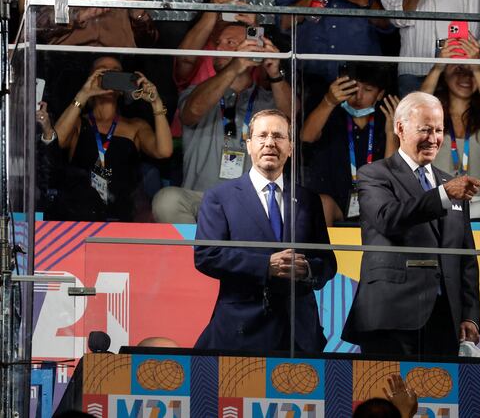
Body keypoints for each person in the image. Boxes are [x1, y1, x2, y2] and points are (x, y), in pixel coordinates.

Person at [341, 92, 480, 356]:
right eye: (425, 130)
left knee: (440, 397)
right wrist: (443, 195)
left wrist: (471, 314)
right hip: (390, 319)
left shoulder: (449, 184)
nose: (433, 138)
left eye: (439, 130)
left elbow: (466, 257)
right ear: (400, 128)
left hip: (444, 319)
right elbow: (387, 218)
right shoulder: (373, 174)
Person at [194, 109, 337, 354]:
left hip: (298, 333)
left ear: (290, 147)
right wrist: (265, 265)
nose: (270, 142)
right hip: (241, 332)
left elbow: (327, 263)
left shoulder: (308, 199)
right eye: (262, 136)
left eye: (278, 136)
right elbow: (207, 255)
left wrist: (307, 269)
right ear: (249, 145)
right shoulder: (220, 197)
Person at [152, 29, 293, 224]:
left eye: (229, 42)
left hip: (252, 200)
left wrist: (275, 74)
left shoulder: (268, 99)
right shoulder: (197, 92)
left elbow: (292, 117)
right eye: (217, 42)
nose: (218, 48)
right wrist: (234, 67)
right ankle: (196, 253)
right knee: (166, 200)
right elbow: (192, 112)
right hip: (202, 199)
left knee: (289, 203)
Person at [42, 56, 171, 221]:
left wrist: (156, 103)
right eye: (103, 71)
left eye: (116, 72)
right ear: (91, 78)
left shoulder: (135, 126)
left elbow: (164, 151)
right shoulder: (78, 123)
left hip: (122, 213)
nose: (110, 73)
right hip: (79, 213)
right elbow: (56, 141)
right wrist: (83, 94)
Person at [300, 63, 400, 225]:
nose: (358, 96)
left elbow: (391, 175)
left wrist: (391, 133)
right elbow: (306, 137)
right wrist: (329, 102)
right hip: (336, 200)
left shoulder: (385, 119)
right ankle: (321, 252)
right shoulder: (331, 113)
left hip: (375, 201)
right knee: (322, 203)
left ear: (380, 94)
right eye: (353, 88)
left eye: (368, 90)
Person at [420, 36, 480, 218]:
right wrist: (439, 65)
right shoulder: (431, 121)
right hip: (438, 209)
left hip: (479, 211)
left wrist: (477, 65)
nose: (466, 76)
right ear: (445, 75)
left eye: (471, 72)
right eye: (458, 69)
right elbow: (417, 107)